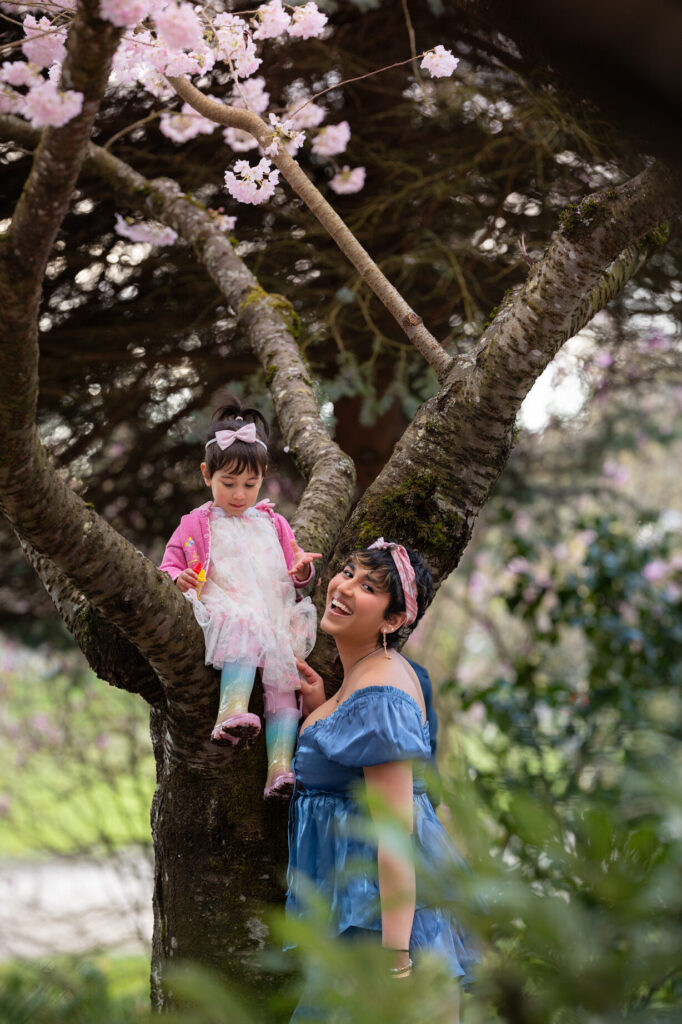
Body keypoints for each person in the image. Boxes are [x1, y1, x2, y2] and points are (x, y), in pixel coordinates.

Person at [287, 538, 475, 1020]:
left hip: (377, 926)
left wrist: (396, 959)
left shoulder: (382, 690)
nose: (345, 587)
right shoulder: (369, 678)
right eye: (347, 572)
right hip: (357, 915)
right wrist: (321, 709)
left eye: (367, 586)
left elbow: (395, 833)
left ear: (392, 621)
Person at [160, 399, 320, 800]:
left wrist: (302, 571)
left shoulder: (273, 521)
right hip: (225, 608)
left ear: (262, 478)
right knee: (244, 625)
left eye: (249, 485)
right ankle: (230, 712)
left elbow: (293, 568)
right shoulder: (196, 522)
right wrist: (176, 577)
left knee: (286, 685)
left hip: (273, 616)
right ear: (206, 475)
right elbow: (168, 565)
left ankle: (279, 769)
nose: (238, 494)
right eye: (228, 483)